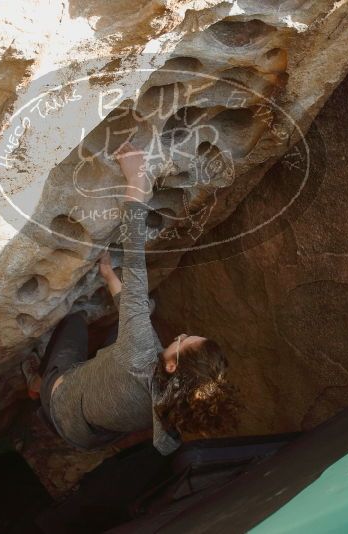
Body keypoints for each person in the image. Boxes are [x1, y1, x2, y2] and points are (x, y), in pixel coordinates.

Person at [22, 140, 238, 455]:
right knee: (126, 325)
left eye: (183, 340)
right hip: (88, 437)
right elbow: (135, 322)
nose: (178, 335)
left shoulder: (139, 351)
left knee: (76, 321)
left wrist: (137, 179)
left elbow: (135, 263)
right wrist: (111, 278)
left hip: (61, 404)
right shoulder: (172, 407)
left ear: (172, 368)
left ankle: (38, 384)